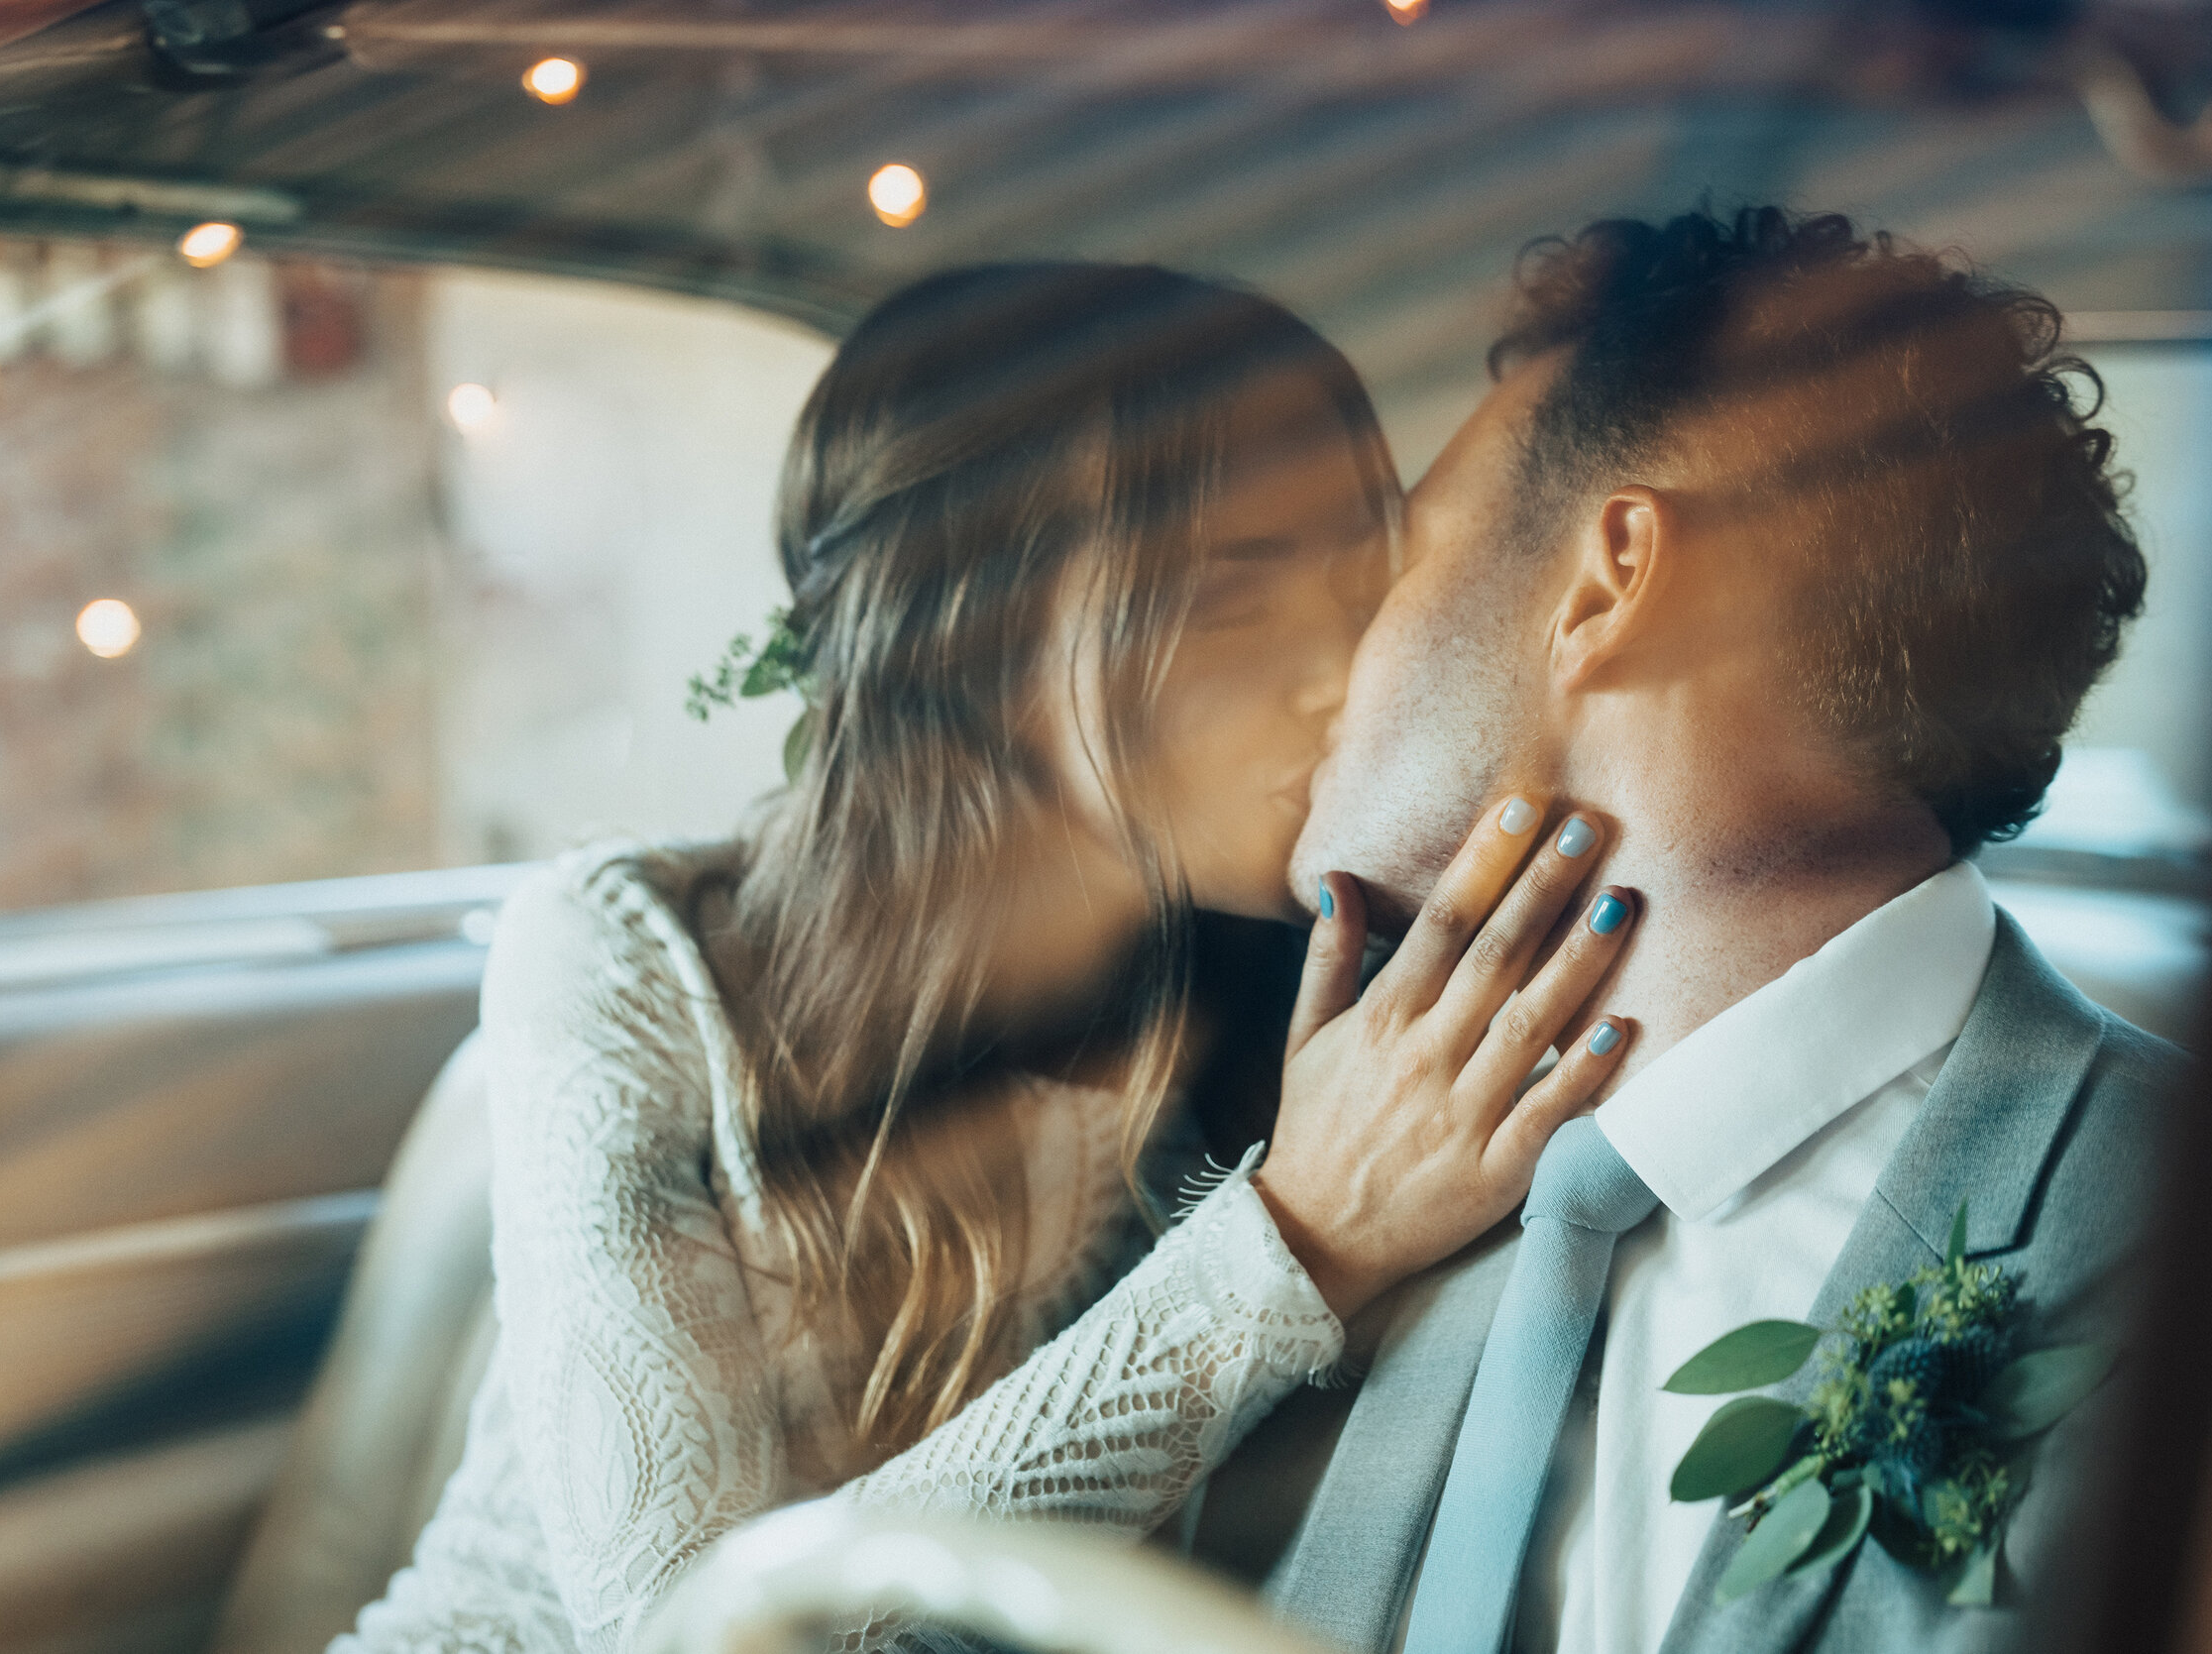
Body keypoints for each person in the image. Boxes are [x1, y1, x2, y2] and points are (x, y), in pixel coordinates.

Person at [334, 262, 1648, 1654]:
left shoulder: (1298, 1008)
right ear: (968, 635)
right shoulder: (622, 956)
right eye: (1235, 603)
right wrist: (1296, 1242)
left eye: (1362, 590)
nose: (1344, 672)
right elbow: (698, 1632)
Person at [1183, 206, 2179, 1654]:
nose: (1328, 657)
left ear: (1606, 581)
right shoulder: (1335, 1181)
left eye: (1402, 558)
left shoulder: (2209, 1234)